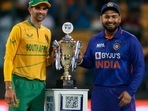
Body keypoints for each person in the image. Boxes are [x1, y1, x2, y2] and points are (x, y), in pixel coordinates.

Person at [77, 2, 145, 111]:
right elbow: (90, 62)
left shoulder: (130, 40)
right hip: (100, 93)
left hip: (122, 92)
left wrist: (130, 91)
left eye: (114, 16)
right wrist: (80, 60)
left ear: (119, 19)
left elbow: (140, 68)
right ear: (101, 19)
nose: (110, 20)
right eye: (106, 17)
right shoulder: (94, 40)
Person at [3, 0, 54, 111]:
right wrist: (9, 87)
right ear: (30, 10)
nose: (41, 12)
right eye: (38, 8)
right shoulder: (19, 29)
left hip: (40, 86)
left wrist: (51, 59)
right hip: (21, 83)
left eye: (44, 9)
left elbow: (43, 61)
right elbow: (8, 58)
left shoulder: (47, 33)